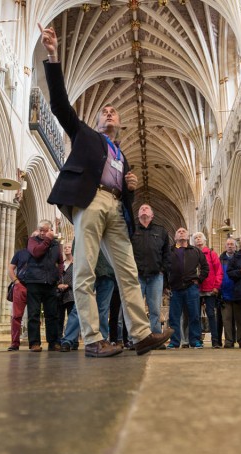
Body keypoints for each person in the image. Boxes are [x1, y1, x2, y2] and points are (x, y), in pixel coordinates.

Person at [39, 23, 172, 357]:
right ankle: (93, 338)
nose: (109, 112)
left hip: (115, 209)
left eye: (114, 112)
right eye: (104, 111)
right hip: (90, 200)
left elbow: (125, 192)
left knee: (127, 271)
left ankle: (141, 335)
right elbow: (59, 104)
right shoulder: (85, 135)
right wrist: (53, 56)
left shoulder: (120, 155)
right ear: (97, 122)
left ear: (119, 124)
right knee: (84, 270)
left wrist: (130, 188)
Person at [165, 228, 209, 349]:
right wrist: (165, 285)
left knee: (194, 315)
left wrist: (199, 279)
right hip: (175, 288)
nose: (181, 232)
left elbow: (205, 267)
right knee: (174, 317)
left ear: (188, 236)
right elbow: (163, 269)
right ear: (174, 237)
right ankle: (174, 342)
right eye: (178, 231)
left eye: (184, 231)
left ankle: (195, 341)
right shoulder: (169, 251)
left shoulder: (195, 251)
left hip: (191, 287)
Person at [131, 204, 171, 334]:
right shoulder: (131, 230)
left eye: (147, 208)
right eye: (141, 208)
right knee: (135, 308)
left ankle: (155, 335)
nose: (143, 209)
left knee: (155, 309)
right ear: (138, 215)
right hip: (137, 275)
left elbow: (167, 253)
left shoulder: (161, 231)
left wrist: (162, 270)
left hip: (155, 276)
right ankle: (136, 338)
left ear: (152, 215)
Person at [25, 219, 63, 352]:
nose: (42, 233)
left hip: (50, 283)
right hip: (34, 282)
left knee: (52, 315)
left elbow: (60, 261)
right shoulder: (32, 240)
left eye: (45, 230)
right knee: (34, 314)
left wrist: (58, 276)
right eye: (40, 230)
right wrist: (47, 240)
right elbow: (36, 252)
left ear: (50, 231)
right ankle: (34, 343)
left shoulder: (56, 244)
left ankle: (53, 342)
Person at [192, 232, 223, 348]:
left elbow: (218, 271)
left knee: (211, 314)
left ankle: (215, 340)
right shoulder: (192, 254)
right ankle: (197, 340)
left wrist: (216, 286)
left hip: (210, 288)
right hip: (196, 288)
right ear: (193, 241)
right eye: (195, 238)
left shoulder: (211, 254)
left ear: (204, 240)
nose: (198, 239)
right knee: (196, 315)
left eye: (200, 237)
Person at [219, 237, 241, 348]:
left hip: (238, 292)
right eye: (228, 244)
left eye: (232, 244)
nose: (230, 246)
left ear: (236, 246)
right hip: (225, 293)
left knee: (239, 318)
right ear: (225, 246)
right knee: (226, 319)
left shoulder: (240, 258)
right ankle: (229, 341)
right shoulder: (220, 259)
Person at [7, 247, 30, 351]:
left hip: (35, 287)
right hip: (20, 285)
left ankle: (34, 342)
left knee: (34, 316)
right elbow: (11, 267)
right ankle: (15, 342)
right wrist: (16, 282)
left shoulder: (41, 252)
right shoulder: (20, 252)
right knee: (16, 316)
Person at [57, 242, 75, 342]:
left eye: (69, 247)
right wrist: (58, 285)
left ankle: (72, 340)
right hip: (60, 295)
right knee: (59, 318)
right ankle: (59, 340)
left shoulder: (76, 263)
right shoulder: (61, 264)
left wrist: (68, 285)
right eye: (65, 247)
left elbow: (78, 277)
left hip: (71, 294)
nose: (67, 249)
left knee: (72, 318)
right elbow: (57, 276)